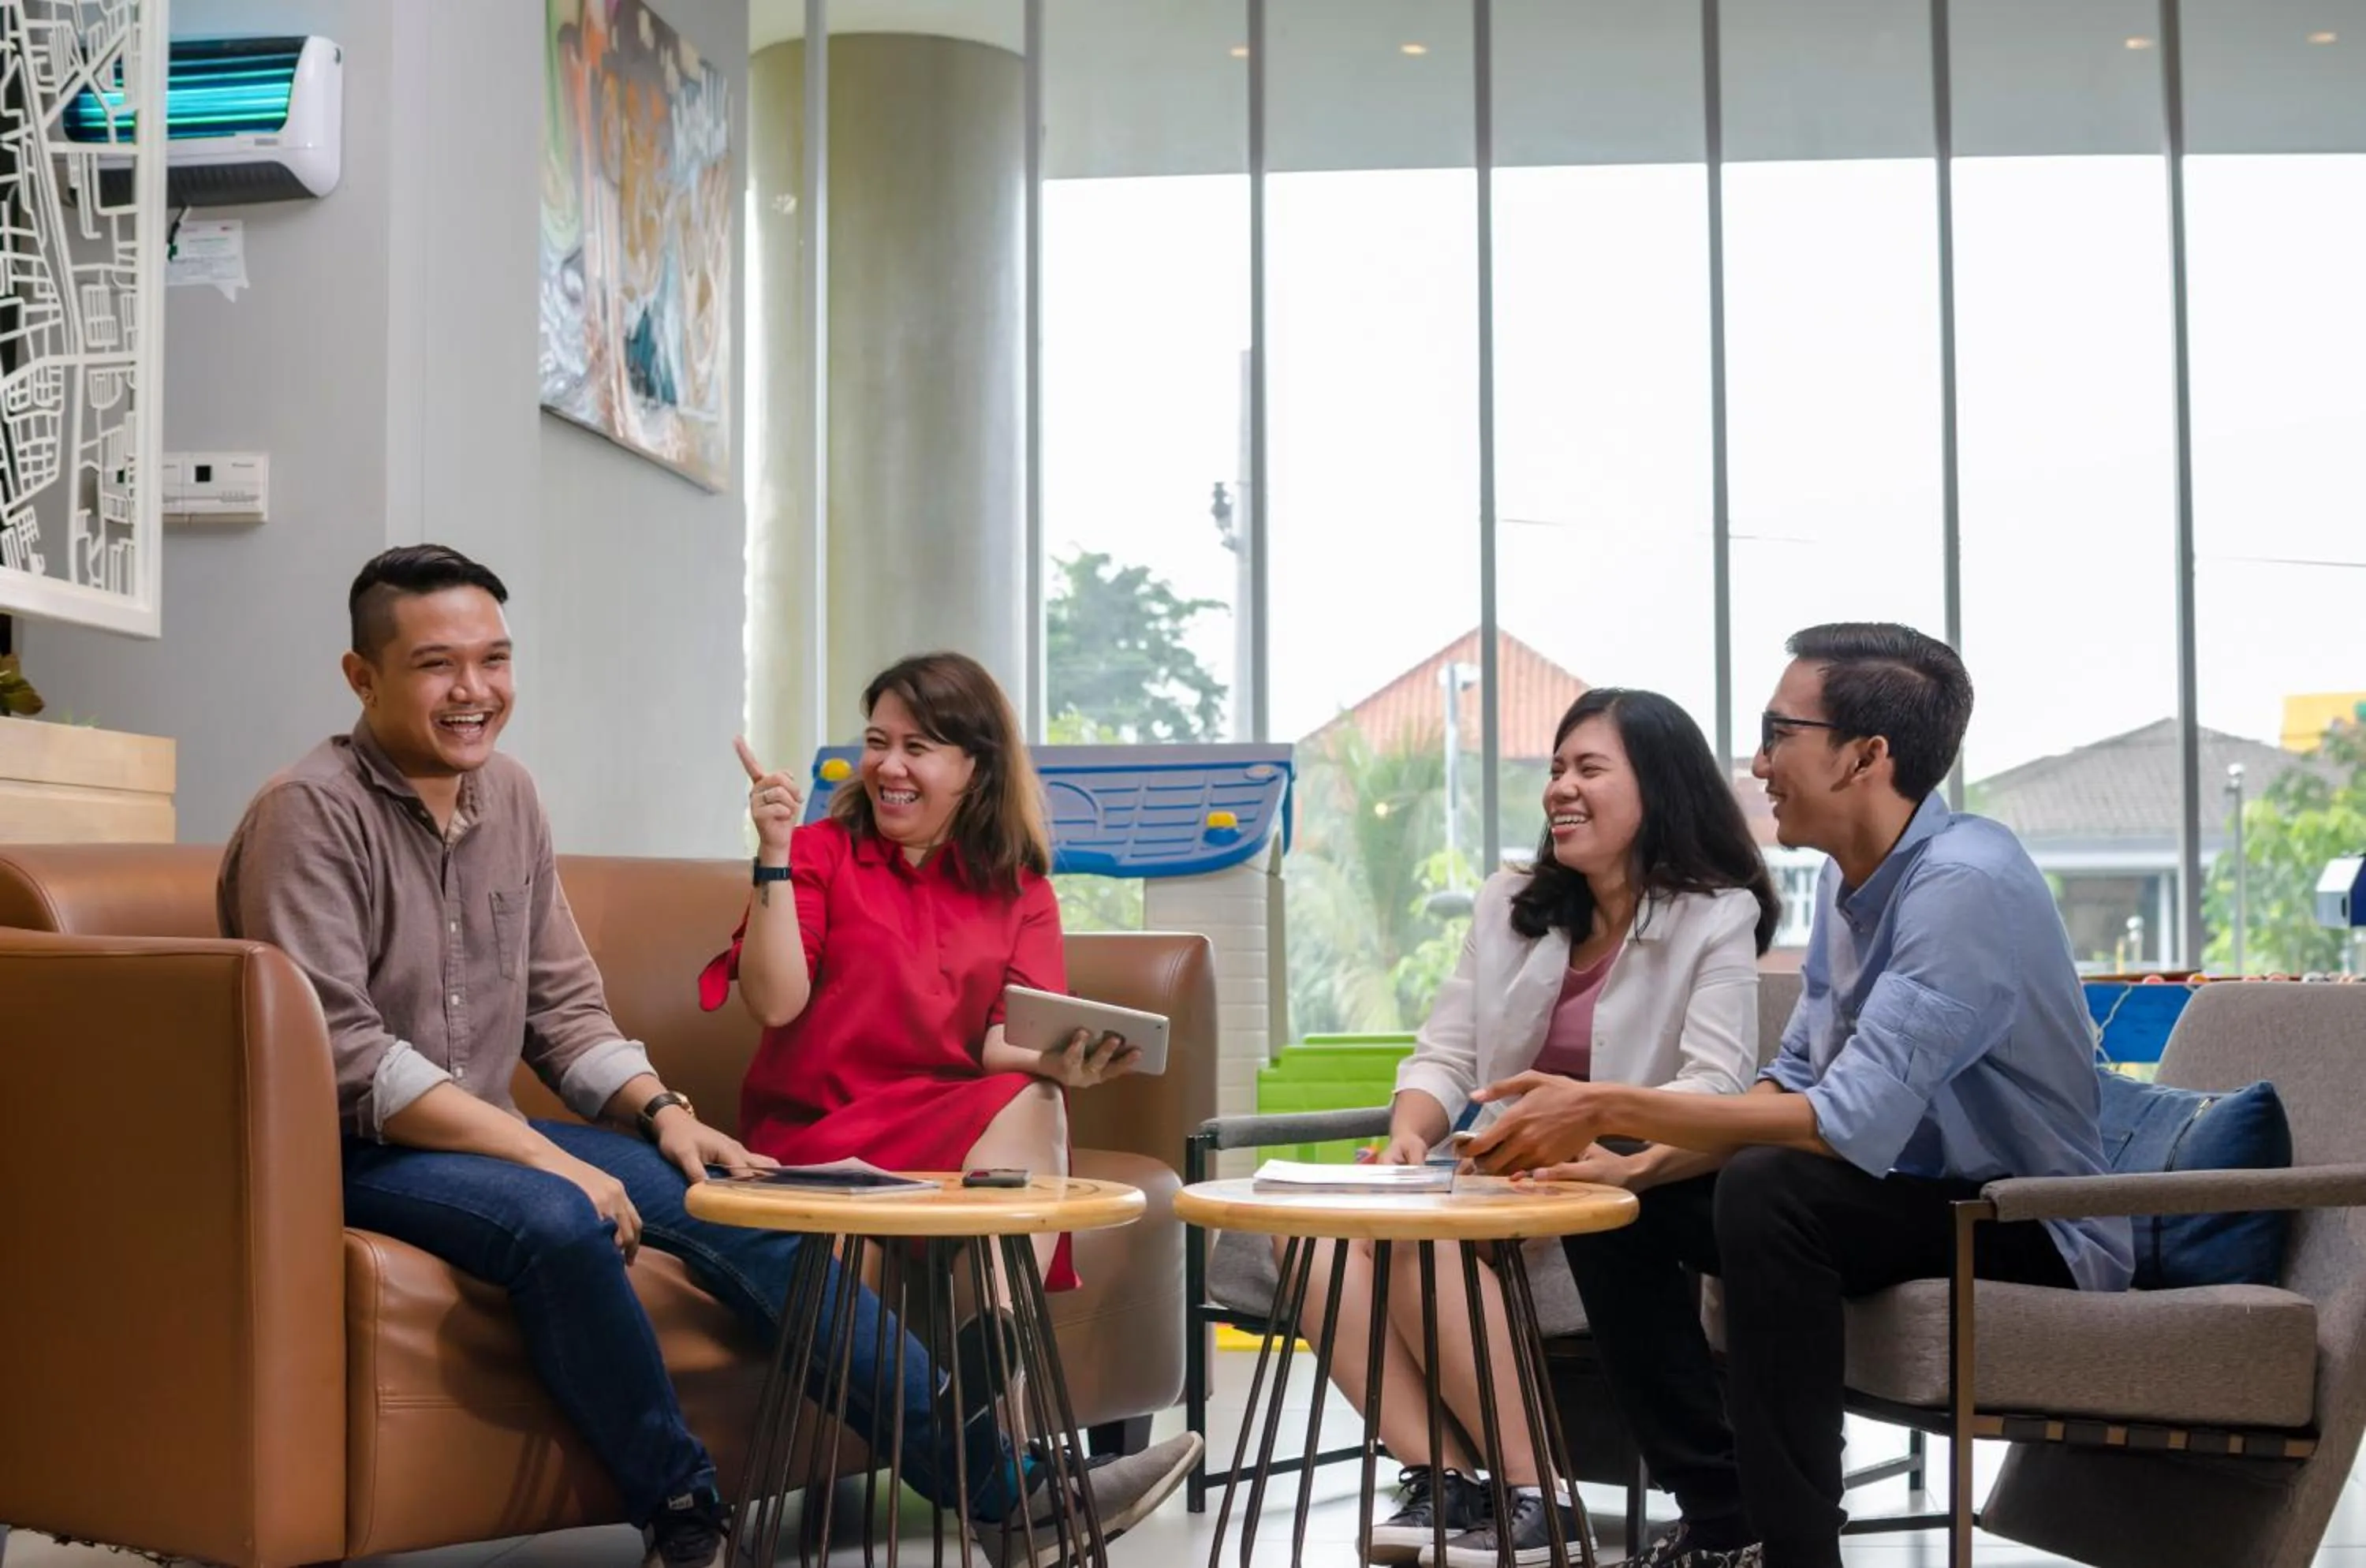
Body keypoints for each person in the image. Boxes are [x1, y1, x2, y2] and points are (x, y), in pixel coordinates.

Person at [220, 546, 1196, 1568]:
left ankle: (1011, 1496)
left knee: (753, 1200)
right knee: (561, 1220)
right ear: (361, 676)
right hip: (356, 1151)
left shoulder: (509, 799)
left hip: (492, 1137)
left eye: (494, 660)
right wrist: (553, 1158)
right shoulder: (309, 815)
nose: (475, 691)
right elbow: (345, 1058)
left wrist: (664, 1115)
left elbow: (566, 1012)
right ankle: (684, 1516)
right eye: (436, 665)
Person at [1464, 624, 2133, 1568]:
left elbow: (1845, 1121)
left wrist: (1606, 1104)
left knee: (1771, 1188)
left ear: (1866, 755)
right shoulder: (1851, 879)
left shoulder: (1964, 886)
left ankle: (1796, 1548)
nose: (1759, 761)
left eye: (1780, 732)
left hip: (2030, 1221)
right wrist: (1639, 1159)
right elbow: (1799, 1076)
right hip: (1901, 1196)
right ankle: (1722, 1516)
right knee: (1615, 1200)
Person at [1289, 688, 1778, 1567]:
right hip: (1494, 1170)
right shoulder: (1510, 902)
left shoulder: (1717, 913)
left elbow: (1715, 1085)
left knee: (1413, 1241)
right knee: (1314, 1248)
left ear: (1657, 788)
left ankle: (1536, 1495)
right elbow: (1443, 1053)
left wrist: (1603, 1146)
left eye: (1590, 767)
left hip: (1615, 1181)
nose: (1561, 787)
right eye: (1557, 767)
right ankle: (1447, 1481)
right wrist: (1412, 1129)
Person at [703, 651, 1144, 1325]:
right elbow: (774, 1002)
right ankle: (1006, 1396)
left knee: (1039, 1093)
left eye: (918, 747)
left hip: (942, 1131)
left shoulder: (1022, 892)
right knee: (1034, 1106)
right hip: (819, 1132)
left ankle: (997, 1348)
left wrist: (1062, 1060)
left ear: (976, 767)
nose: (888, 766)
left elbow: (1005, 1045)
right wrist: (773, 855)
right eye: (877, 744)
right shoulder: (819, 851)